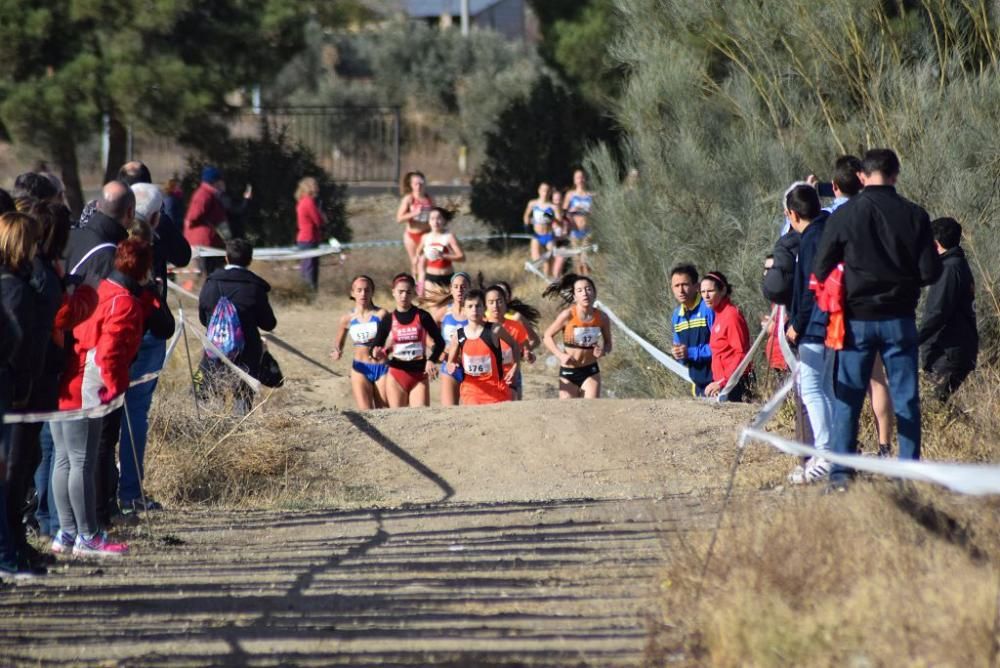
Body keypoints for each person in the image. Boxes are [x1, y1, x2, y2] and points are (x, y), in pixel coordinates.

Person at [813, 148, 942, 492]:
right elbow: (931, 271)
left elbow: (821, 267)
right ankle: (907, 477)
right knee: (906, 398)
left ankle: (841, 477)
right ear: (896, 174)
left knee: (848, 399)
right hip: (899, 319)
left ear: (861, 176)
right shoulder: (915, 215)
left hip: (856, 321)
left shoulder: (845, 215)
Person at [51, 238, 156, 558]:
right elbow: (109, 353)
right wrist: (115, 386)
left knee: (64, 459)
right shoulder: (123, 301)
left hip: (68, 378)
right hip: (90, 384)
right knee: (81, 462)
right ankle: (88, 535)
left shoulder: (99, 289)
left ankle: (67, 533)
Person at [813, 155, 895, 456]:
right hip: (881, 302)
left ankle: (845, 449)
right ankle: (884, 445)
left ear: (834, 186)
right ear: (862, 179)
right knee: (876, 379)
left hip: (841, 307)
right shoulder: (878, 212)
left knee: (839, 381)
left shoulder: (829, 217)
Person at [116, 182, 182, 517]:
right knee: (135, 413)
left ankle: (106, 492)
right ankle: (128, 490)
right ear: (156, 216)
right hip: (144, 332)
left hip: (111, 332)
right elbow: (183, 253)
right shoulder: (151, 238)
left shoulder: (107, 233)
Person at [0, 211, 47, 575]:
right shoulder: (14, 288)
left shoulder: (18, 283)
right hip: (13, 390)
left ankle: (14, 546)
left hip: (17, 387)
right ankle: (9, 551)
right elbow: (14, 340)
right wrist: (19, 382)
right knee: (11, 475)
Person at [783, 184, 833, 483]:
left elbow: (810, 288)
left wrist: (797, 324)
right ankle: (829, 452)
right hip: (830, 322)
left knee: (812, 389)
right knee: (824, 389)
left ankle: (825, 452)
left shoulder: (812, 239)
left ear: (792, 214)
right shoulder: (828, 230)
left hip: (815, 325)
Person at [197, 239, 278, 414]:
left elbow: (204, 319)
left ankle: (214, 426)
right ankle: (239, 430)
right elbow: (268, 323)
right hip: (246, 352)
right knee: (242, 395)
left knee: (212, 393)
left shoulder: (210, 283)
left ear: (226, 258)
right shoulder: (255, 287)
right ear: (249, 260)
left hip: (215, 350)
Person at [918, 217, 978, 402]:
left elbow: (937, 313)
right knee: (938, 405)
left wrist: (913, 339)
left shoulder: (949, 270)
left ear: (935, 244)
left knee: (932, 405)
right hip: (953, 350)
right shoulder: (956, 265)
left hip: (947, 353)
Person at [369, 273, 446, 408]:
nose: (404, 296)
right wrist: (375, 353)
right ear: (393, 292)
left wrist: (431, 360)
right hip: (396, 374)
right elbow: (375, 346)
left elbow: (440, 342)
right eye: (400, 292)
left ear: (414, 293)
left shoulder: (422, 316)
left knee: (421, 417)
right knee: (399, 421)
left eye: (408, 292)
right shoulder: (388, 319)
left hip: (419, 374)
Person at [542, 274, 612, 399]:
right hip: (569, 371)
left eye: (588, 289)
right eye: (579, 290)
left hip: (590, 371)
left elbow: (608, 344)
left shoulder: (602, 318)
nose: (585, 293)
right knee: (568, 413)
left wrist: (603, 351)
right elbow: (547, 336)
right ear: (574, 297)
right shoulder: (567, 315)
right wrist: (560, 355)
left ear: (594, 293)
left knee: (590, 410)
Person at [445, 290, 520, 405]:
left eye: (478, 306)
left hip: (497, 392)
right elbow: (451, 362)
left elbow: (514, 345)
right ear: (464, 310)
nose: (474, 310)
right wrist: (452, 365)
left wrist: (515, 367)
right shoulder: (458, 335)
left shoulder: (495, 330)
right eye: (470, 306)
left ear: (484, 308)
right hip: (471, 392)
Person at [330, 275, 389, 410]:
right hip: (360, 368)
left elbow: (393, 338)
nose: (363, 294)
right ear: (353, 293)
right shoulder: (347, 318)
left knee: (386, 412)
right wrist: (336, 351)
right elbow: (338, 343)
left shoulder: (382, 314)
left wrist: (384, 350)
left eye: (367, 290)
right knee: (366, 412)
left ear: (372, 292)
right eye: (359, 290)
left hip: (382, 367)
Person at [701, 271, 751, 402]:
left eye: (710, 291)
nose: (706, 296)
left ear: (722, 290)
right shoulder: (719, 315)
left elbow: (741, 353)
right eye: (702, 292)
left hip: (736, 383)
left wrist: (723, 382)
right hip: (724, 384)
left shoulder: (731, 315)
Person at [485, 284, 537, 401]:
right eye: (491, 302)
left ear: (505, 303)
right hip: (487, 379)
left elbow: (526, 350)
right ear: (486, 305)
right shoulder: (481, 326)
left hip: (510, 376)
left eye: (499, 302)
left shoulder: (516, 326)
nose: (495, 306)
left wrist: (528, 355)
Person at [669, 264, 714, 396]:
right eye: (676, 286)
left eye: (685, 284)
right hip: (697, 383)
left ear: (696, 286)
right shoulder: (677, 316)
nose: (681, 290)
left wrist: (690, 352)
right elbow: (681, 352)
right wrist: (678, 354)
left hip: (717, 382)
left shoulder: (708, 309)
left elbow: (721, 347)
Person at [432, 273, 471, 407]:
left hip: (471, 367)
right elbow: (426, 330)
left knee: (473, 412)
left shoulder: (475, 313)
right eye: (456, 286)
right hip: (450, 367)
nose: (460, 290)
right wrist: (438, 349)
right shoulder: (444, 312)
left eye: (463, 287)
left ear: (469, 289)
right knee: (449, 412)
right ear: (451, 289)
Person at [184, 166, 228, 278]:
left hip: (209, 241)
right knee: (207, 273)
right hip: (204, 242)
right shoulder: (204, 195)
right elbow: (194, 216)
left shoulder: (210, 194)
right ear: (214, 181)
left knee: (212, 272)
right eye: (220, 180)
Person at [416, 207, 465, 300]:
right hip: (430, 279)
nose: (436, 221)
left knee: (448, 308)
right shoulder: (425, 237)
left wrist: (444, 255)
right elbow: (418, 257)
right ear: (429, 221)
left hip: (447, 278)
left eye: (439, 218)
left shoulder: (449, 236)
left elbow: (462, 257)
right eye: (432, 218)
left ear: (444, 220)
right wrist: (420, 283)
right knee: (433, 308)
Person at [395, 171, 434, 280]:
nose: (419, 186)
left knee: (426, 262)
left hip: (426, 235)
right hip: (412, 235)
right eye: (416, 184)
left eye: (421, 183)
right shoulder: (409, 199)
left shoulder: (429, 198)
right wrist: (414, 213)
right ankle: (416, 287)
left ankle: (425, 289)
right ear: (411, 185)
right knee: (415, 262)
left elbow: (436, 213)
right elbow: (399, 218)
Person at [295, 177, 326, 291]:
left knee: (306, 267)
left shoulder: (302, 201)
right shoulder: (308, 201)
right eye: (314, 185)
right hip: (309, 238)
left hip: (305, 239)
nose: (317, 187)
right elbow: (318, 220)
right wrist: (323, 217)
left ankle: (306, 291)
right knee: (310, 268)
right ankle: (310, 292)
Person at [522, 183, 558, 277]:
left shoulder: (553, 206)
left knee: (549, 261)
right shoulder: (532, 203)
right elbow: (526, 215)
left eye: (547, 190)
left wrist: (550, 217)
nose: (545, 192)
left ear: (550, 192)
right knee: (537, 261)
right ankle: (537, 281)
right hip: (537, 235)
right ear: (539, 190)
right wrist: (526, 227)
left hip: (549, 235)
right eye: (543, 190)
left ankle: (547, 283)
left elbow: (559, 222)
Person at [566, 169, 594, 274]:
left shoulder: (591, 195)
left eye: (582, 177)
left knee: (585, 259)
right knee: (577, 261)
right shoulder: (570, 195)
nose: (580, 179)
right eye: (577, 177)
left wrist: (591, 211)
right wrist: (571, 210)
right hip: (574, 230)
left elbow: (598, 212)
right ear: (574, 180)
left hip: (588, 230)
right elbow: (562, 212)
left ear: (585, 179)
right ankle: (578, 284)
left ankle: (588, 281)